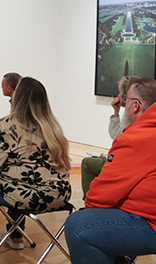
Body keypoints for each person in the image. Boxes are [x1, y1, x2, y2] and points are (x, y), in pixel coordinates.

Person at [0, 77, 71, 255]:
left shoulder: (10, 126)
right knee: (17, 181)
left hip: (31, 198)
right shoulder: (53, 128)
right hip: (60, 196)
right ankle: (15, 236)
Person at [65, 78, 156, 264]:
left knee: (78, 226)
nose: (123, 104)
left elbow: (102, 194)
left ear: (136, 106)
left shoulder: (136, 138)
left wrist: (89, 209)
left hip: (151, 224)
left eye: (126, 100)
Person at [81, 75, 139, 199]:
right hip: (127, 163)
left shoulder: (134, 117)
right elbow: (117, 136)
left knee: (87, 163)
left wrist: (107, 157)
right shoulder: (133, 113)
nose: (117, 97)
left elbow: (121, 140)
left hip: (124, 167)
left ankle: (90, 202)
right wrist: (116, 112)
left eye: (120, 94)